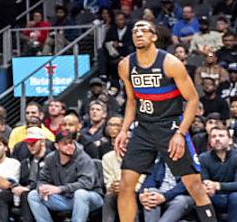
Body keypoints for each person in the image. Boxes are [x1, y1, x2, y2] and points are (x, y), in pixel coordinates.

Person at [116, 20, 217, 222]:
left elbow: (193, 99)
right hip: (144, 128)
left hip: (170, 127)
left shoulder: (170, 63)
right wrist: (123, 130)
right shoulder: (125, 65)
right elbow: (131, 101)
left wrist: (180, 133)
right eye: (135, 30)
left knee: (194, 186)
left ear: (154, 36)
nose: (138, 33)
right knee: (126, 184)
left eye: (144, 30)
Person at [27, 130, 102, 222]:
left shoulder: (83, 158)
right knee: (33, 195)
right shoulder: (51, 159)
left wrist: (60, 189)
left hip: (91, 198)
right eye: (65, 144)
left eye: (71, 142)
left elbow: (86, 184)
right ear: (57, 146)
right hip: (65, 198)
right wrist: (42, 189)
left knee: (80, 194)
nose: (70, 146)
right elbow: (42, 179)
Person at [197, 126, 237, 220]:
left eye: (221, 136)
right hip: (214, 196)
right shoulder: (203, 158)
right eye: (213, 136)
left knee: (236, 197)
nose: (217, 139)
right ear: (210, 142)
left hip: (232, 196)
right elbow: (205, 181)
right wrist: (207, 186)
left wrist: (218, 185)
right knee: (200, 195)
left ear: (230, 140)